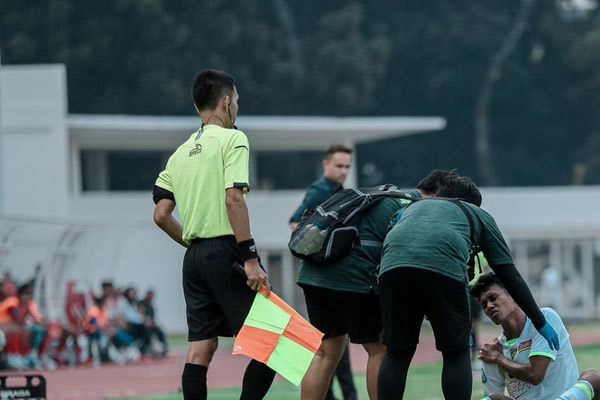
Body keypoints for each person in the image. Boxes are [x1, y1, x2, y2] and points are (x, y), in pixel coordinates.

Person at [377, 176, 560, 400]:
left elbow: (387, 240)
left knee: (397, 353)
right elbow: (508, 273)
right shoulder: (476, 213)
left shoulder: (412, 209)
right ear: (471, 202)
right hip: (443, 272)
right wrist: (539, 321)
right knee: (456, 352)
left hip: (391, 271)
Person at [153, 69, 274, 400]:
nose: (237, 106)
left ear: (197, 108)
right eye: (237, 101)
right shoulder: (234, 139)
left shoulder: (178, 155)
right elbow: (233, 198)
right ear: (226, 102)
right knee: (273, 342)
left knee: (200, 350)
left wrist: (192, 243)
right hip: (228, 252)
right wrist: (249, 258)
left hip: (193, 260)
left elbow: (161, 215)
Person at [298, 170, 461, 400]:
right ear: (438, 196)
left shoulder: (383, 194)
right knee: (379, 350)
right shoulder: (412, 206)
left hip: (313, 275)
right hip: (353, 279)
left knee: (326, 352)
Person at [289, 143, 356, 400]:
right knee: (332, 350)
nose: (343, 171)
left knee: (335, 348)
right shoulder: (321, 189)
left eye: (347, 167)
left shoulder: (338, 190)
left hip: (331, 279)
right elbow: (296, 223)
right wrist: (324, 248)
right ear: (325, 165)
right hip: (324, 278)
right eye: (339, 165)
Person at [472, 272, 579, 400]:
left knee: (592, 378)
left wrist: (499, 359)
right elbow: (491, 396)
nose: (489, 306)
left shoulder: (545, 320)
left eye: (493, 297)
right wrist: (495, 358)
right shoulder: (493, 351)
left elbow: (535, 375)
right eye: (484, 304)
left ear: (513, 293)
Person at [139, 289, 168, 357]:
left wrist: (154, 323)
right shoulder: (141, 303)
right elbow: (139, 314)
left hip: (150, 324)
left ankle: (164, 348)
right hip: (142, 324)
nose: (150, 298)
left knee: (160, 331)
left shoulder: (151, 307)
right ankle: (148, 347)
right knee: (147, 330)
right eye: (149, 296)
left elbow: (152, 319)